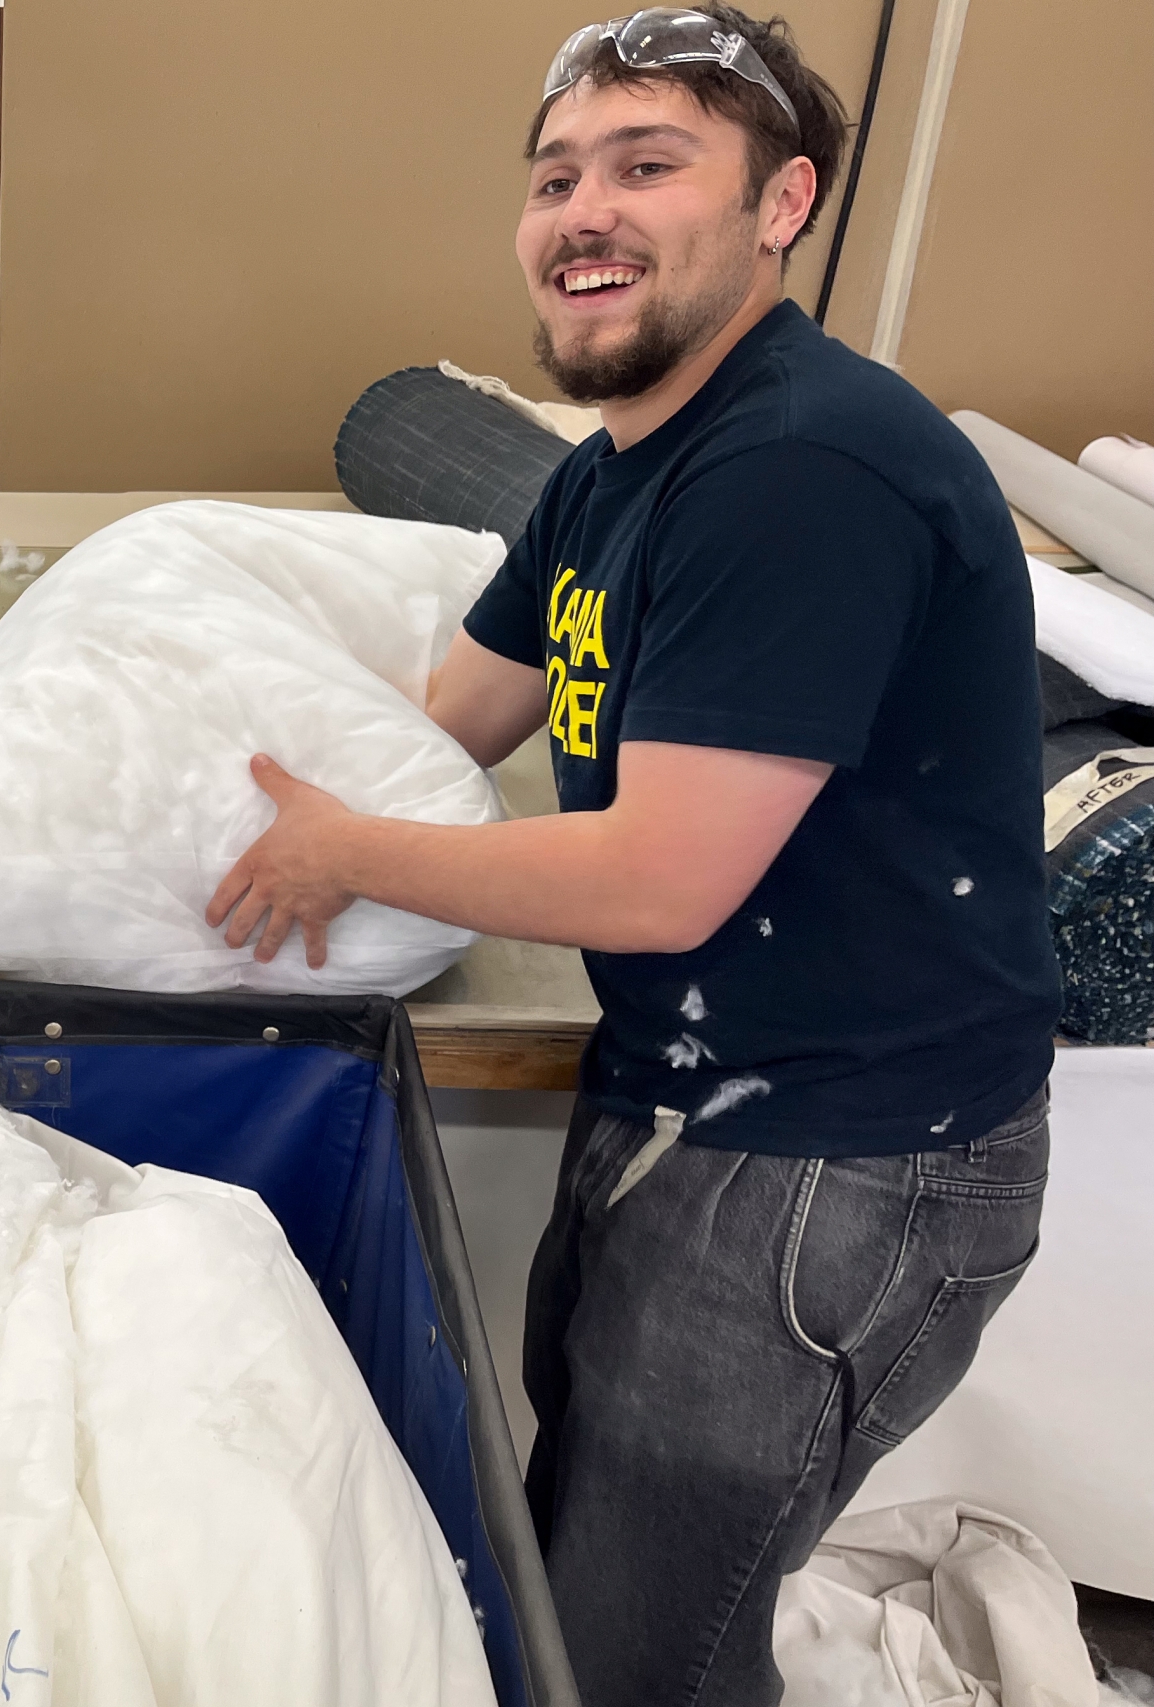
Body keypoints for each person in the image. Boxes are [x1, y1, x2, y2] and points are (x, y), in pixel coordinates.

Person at [204, 9, 1057, 1703]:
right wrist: (212, 759)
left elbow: (662, 877)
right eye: (556, 177)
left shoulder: (801, 470)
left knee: (632, 1652)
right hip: (694, 1092)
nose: (584, 210)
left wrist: (346, 852)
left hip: (841, 1165)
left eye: (649, 166)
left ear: (782, 203)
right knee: (578, 1551)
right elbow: (460, 709)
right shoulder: (617, 468)